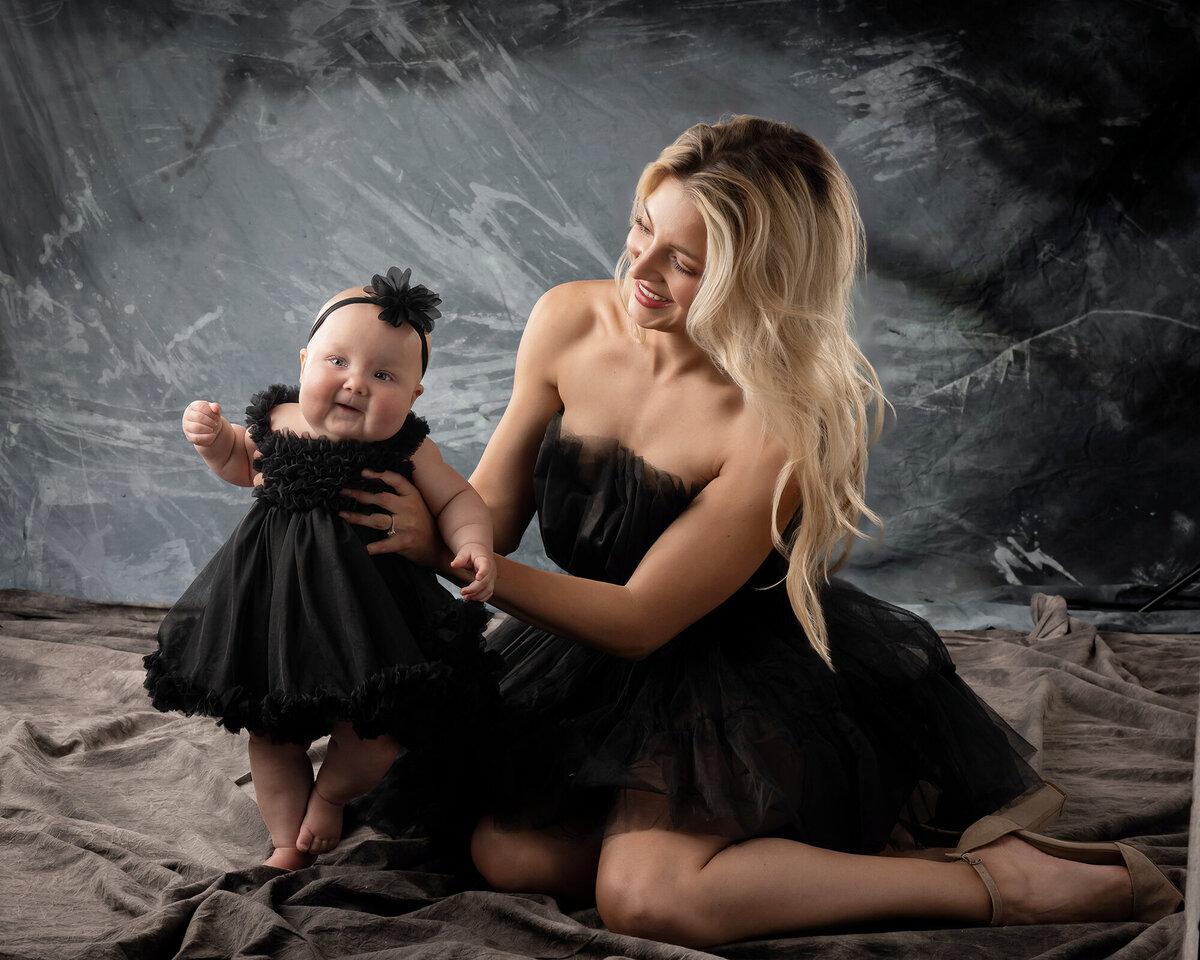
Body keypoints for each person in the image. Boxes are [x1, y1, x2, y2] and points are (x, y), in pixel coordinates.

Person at [340, 118, 1183, 945]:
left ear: (762, 279)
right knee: (511, 855)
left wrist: (457, 561)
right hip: (584, 654)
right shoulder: (567, 320)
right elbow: (494, 509)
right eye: (643, 228)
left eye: (686, 263)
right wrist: (386, 479)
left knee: (646, 901)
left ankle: (992, 882)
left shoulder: (775, 425)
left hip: (736, 665)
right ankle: (724, 841)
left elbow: (640, 621)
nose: (642, 268)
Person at [145, 267, 497, 871]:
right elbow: (240, 463)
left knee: (378, 727)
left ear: (414, 396)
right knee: (271, 731)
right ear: (306, 360)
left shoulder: (408, 448)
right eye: (338, 361)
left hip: (369, 613)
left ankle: (331, 795)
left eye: (383, 375)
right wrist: (213, 441)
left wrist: (474, 543)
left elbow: (458, 500)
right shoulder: (277, 420)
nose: (356, 384)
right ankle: (286, 841)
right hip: (273, 605)